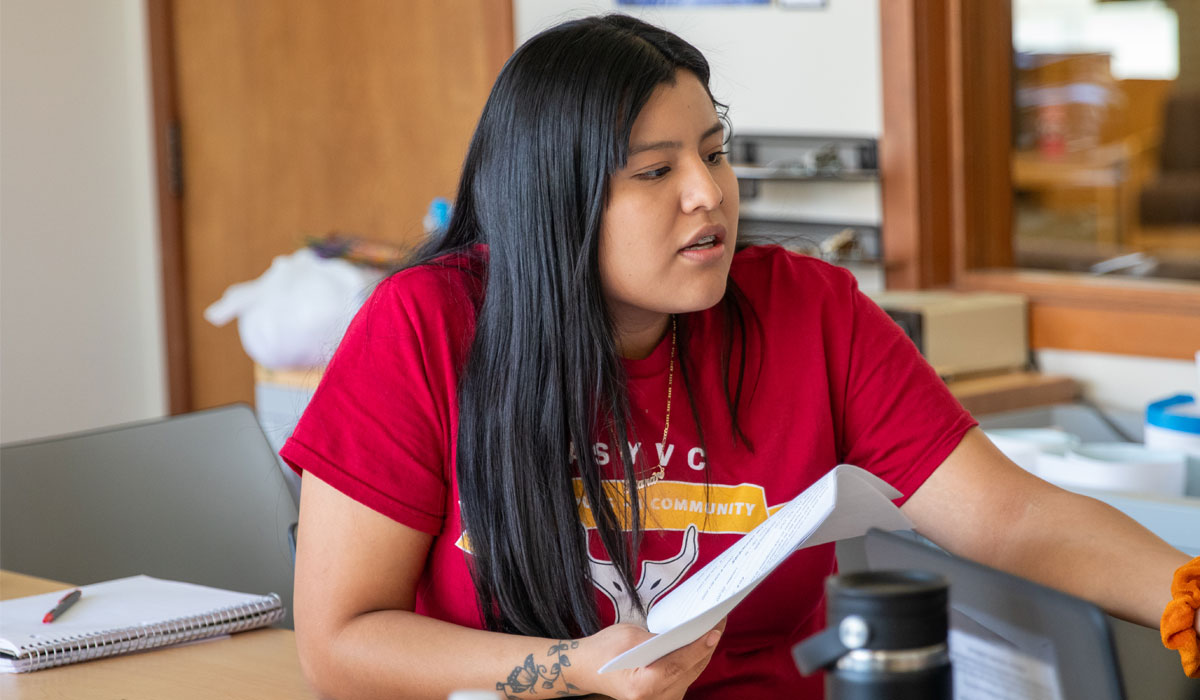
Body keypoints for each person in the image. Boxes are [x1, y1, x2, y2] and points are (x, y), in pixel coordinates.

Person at [282, 14, 1198, 700]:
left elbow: (1012, 517)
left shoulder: (810, 311)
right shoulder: (427, 326)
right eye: (654, 172)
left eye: (714, 155)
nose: (707, 195)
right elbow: (339, 645)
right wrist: (573, 671)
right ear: (551, 200)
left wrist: (1189, 595)